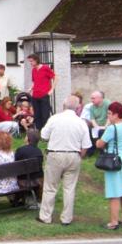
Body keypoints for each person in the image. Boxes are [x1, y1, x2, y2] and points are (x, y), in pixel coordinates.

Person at [36, 96, 91, 226]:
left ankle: (46, 216)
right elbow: (86, 145)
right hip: (73, 154)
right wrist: (80, 157)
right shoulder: (81, 122)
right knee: (69, 188)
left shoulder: (54, 119)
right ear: (77, 108)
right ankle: (66, 218)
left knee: (50, 187)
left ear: (63, 105)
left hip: (55, 153)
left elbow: (43, 136)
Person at [96, 102, 122, 230]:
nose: (108, 116)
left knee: (114, 192)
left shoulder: (112, 128)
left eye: (109, 113)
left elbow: (100, 144)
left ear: (116, 115)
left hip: (115, 159)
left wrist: (99, 138)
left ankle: (113, 222)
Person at [27, 53, 56, 130]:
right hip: (35, 95)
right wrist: (31, 88)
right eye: (29, 61)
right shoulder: (33, 70)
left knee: (45, 114)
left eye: (31, 61)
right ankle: (39, 131)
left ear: (36, 60)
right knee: (37, 115)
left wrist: (52, 89)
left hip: (44, 95)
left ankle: (46, 132)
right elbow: (35, 82)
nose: (30, 63)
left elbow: (55, 77)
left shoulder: (45, 68)